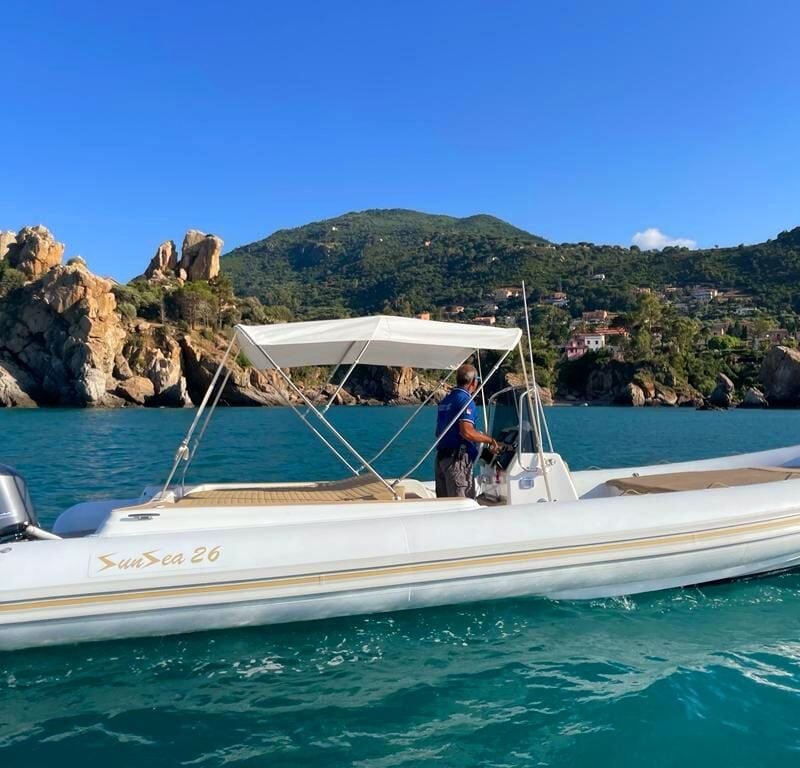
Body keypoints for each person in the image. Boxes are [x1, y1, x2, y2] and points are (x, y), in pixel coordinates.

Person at [435, 364, 499, 498]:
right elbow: (467, 432)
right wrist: (490, 440)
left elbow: (439, 432)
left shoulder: (446, 400)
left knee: (445, 504)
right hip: (456, 461)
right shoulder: (466, 400)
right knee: (461, 504)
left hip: (442, 459)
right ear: (474, 381)